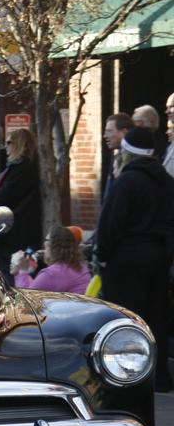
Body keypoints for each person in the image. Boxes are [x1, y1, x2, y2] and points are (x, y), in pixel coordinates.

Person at [96, 127, 174, 391]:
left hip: (126, 259)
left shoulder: (126, 181)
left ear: (127, 153)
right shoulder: (166, 181)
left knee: (128, 318)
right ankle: (159, 375)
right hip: (158, 256)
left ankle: (130, 374)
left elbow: (111, 222)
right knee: (156, 316)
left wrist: (102, 255)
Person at [0, 128, 42, 278]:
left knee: (14, 278)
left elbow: (6, 195)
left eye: (9, 142)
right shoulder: (19, 166)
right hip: (12, 233)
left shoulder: (23, 167)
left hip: (17, 234)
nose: (6, 146)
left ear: (19, 144)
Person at [12, 225, 91, 294]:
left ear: (54, 246)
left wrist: (22, 271)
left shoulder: (51, 274)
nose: (44, 244)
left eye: (46, 240)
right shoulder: (82, 268)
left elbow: (25, 298)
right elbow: (34, 288)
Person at [102, 112, 133, 198]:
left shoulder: (130, 160)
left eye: (109, 131)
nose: (105, 136)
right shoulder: (117, 156)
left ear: (124, 132)